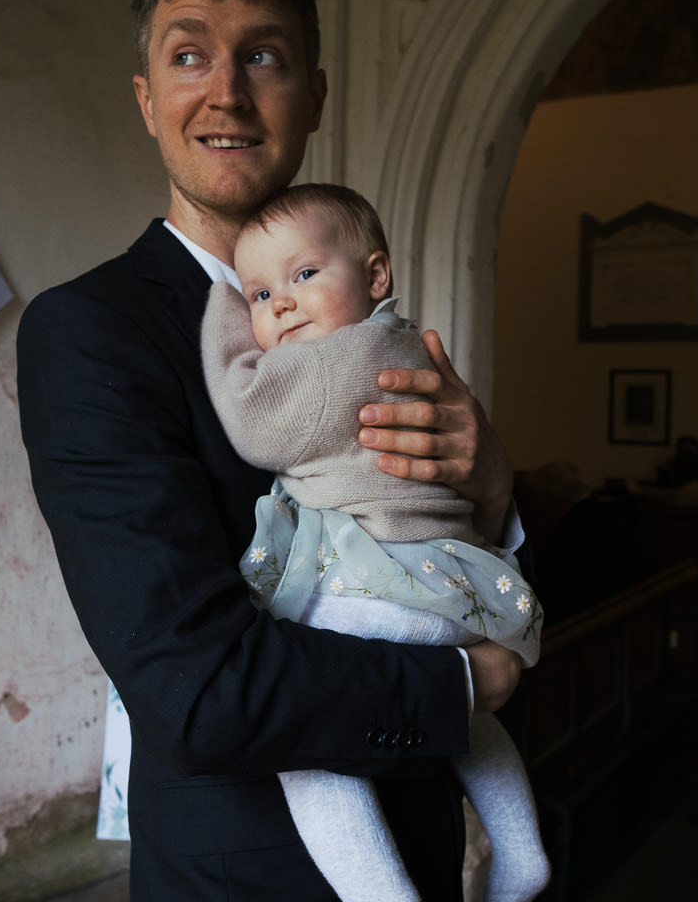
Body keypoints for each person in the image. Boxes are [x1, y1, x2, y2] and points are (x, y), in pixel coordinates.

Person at [16, 0, 525, 901]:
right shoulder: (91, 331)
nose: (227, 92)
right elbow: (195, 691)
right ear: (146, 98)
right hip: (244, 874)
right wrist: (468, 687)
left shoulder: (375, 314)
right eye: (189, 54)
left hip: (426, 845)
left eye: (264, 56)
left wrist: (492, 478)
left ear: (314, 96)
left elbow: (457, 558)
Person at [202, 183, 549, 902]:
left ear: (376, 276)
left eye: (303, 276)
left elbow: (251, 421)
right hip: (444, 588)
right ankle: (523, 853)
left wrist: (225, 314)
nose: (282, 304)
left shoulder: (334, 367)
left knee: (307, 745)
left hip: (377, 592)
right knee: (469, 720)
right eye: (260, 293)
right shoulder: (399, 340)